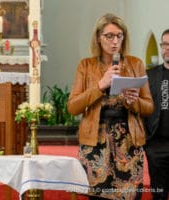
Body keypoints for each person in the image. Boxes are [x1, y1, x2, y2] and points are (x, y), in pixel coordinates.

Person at [67, 13, 154, 200]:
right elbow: (73, 108)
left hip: (129, 143)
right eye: (109, 36)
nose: (115, 41)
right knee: (98, 196)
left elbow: (149, 107)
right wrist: (100, 85)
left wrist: (134, 102)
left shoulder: (135, 64)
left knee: (129, 196)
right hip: (95, 142)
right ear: (98, 38)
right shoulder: (86, 65)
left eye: (119, 36)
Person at [144, 29, 169, 200]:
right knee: (158, 194)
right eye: (164, 44)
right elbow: (142, 107)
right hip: (156, 146)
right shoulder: (149, 75)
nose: (167, 48)